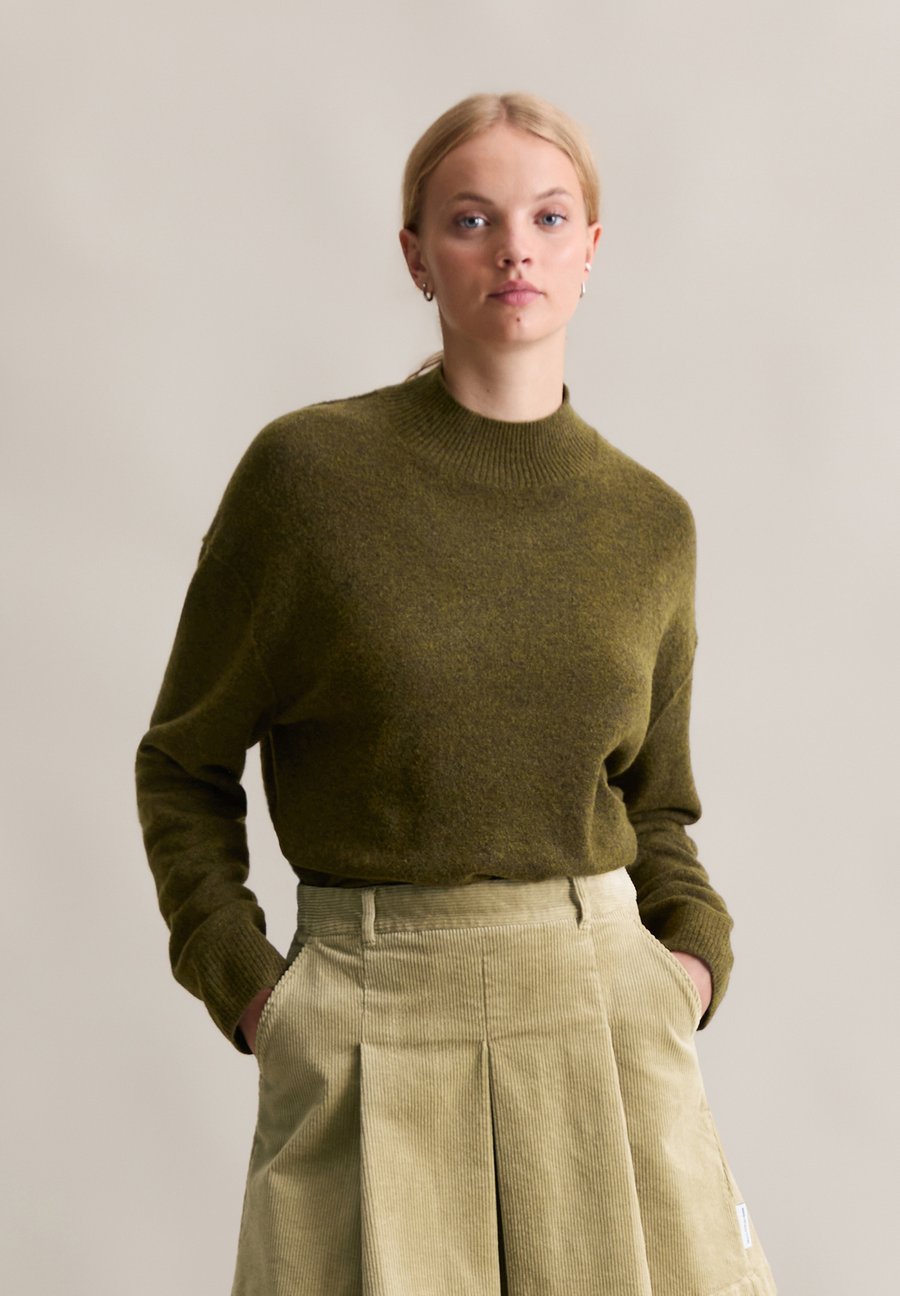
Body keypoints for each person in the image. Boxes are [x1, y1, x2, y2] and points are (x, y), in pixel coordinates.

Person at [135, 91, 777, 1295]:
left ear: (592, 249)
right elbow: (182, 763)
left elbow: (657, 806)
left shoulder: (649, 525)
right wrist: (253, 992)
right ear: (417, 255)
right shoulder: (308, 479)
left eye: (549, 217)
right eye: (473, 218)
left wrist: (688, 962)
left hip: (604, 1011)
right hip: (371, 1013)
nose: (514, 248)